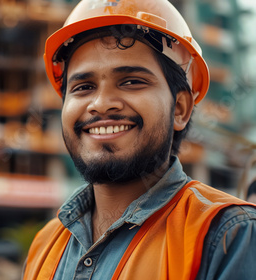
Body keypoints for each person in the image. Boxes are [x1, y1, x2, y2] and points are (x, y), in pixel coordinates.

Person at [23, 0, 256, 279]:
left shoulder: (230, 234)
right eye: (83, 87)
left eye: (131, 81)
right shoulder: (44, 246)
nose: (100, 104)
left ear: (180, 109)